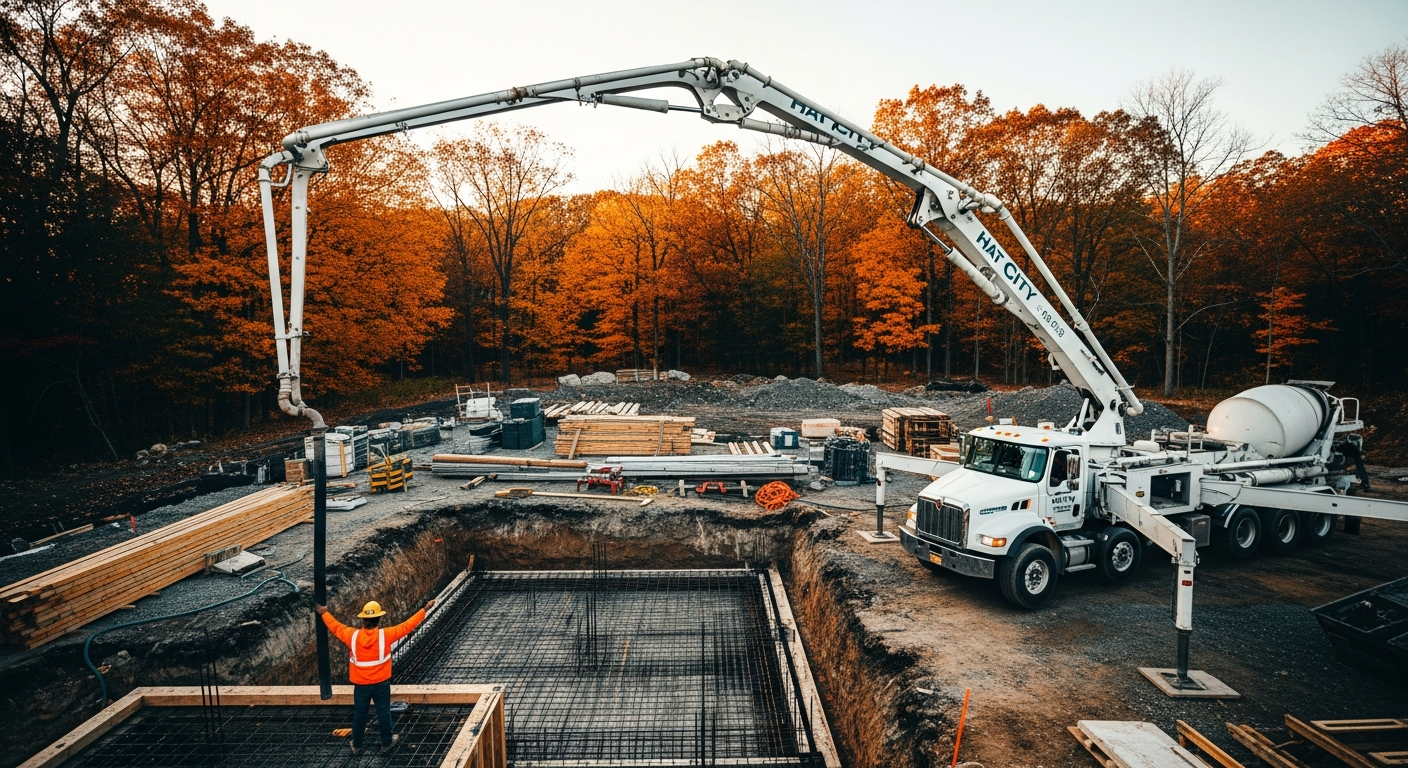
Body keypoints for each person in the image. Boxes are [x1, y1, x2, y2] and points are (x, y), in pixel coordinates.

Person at [316, 598, 435, 754]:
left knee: (359, 715)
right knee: (383, 712)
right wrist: (425, 609)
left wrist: (324, 613)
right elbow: (407, 625)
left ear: (363, 620)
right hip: (381, 684)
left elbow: (335, 627)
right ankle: (387, 742)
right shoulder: (386, 635)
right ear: (378, 619)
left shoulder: (352, 636)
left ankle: (357, 745)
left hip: (361, 686)